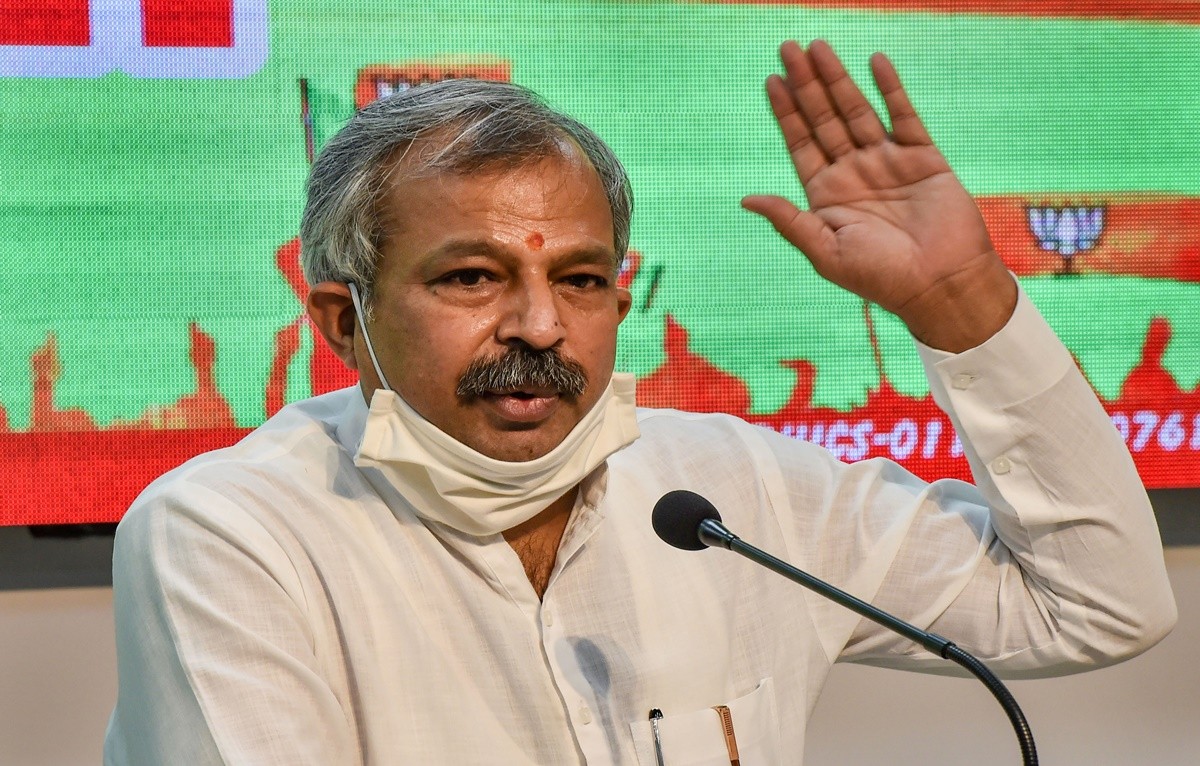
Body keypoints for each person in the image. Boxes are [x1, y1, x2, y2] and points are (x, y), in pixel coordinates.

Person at [104, 41, 1176, 764]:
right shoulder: (231, 530)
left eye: (579, 280)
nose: (540, 326)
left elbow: (1098, 603)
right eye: (472, 277)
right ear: (344, 322)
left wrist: (960, 300)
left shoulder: (737, 494)